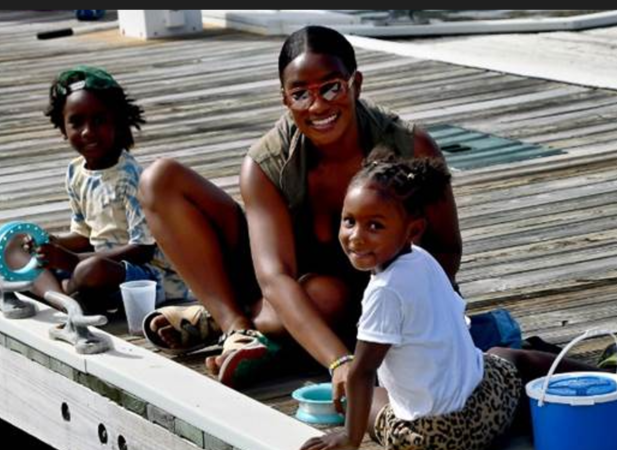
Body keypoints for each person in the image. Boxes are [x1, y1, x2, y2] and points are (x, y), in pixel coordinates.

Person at [138, 26, 461, 392]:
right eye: (300, 94)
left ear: (356, 83)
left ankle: (251, 324)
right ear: (285, 100)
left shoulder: (409, 145)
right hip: (290, 284)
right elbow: (275, 277)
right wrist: (339, 363)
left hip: (378, 296)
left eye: (331, 87)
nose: (318, 105)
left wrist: (407, 316)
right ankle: (235, 326)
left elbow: (446, 249)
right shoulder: (266, 162)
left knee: (325, 295)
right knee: (159, 179)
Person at [298, 154, 599, 450]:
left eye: (374, 226)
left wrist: (350, 435)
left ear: (412, 230)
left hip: (437, 439)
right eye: (349, 221)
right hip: (489, 409)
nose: (356, 237)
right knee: (504, 356)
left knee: (361, 395)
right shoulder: (422, 258)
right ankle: (607, 380)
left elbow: (362, 371)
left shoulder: (384, 292)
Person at [17, 65, 189, 314]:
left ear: (117, 122)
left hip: (143, 278)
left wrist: (71, 260)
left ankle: (60, 293)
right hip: (91, 265)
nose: (88, 131)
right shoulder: (75, 171)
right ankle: (67, 295)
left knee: (92, 269)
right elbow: (84, 235)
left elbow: (143, 249)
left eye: (99, 120)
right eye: (76, 122)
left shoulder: (130, 176)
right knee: (16, 247)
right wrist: (50, 243)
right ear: (62, 128)